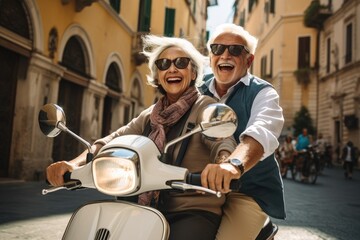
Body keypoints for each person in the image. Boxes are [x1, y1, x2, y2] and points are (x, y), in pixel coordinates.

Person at [46, 35, 237, 240]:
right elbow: (111, 140)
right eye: (163, 64)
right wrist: (73, 165)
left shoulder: (204, 107)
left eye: (181, 63)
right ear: (158, 74)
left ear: (193, 73)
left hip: (192, 209)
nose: (171, 69)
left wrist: (223, 165)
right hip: (145, 206)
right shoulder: (151, 115)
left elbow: (223, 140)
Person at [198, 23, 285, 240]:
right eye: (217, 49)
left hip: (247, 191)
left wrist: (233, 165)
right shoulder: (196, 91)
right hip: (197, 187)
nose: (225, 54)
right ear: (211, 57)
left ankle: (262, 229)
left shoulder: (263, 93)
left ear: (249, 60)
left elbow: (262, 130)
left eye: (235, 50)